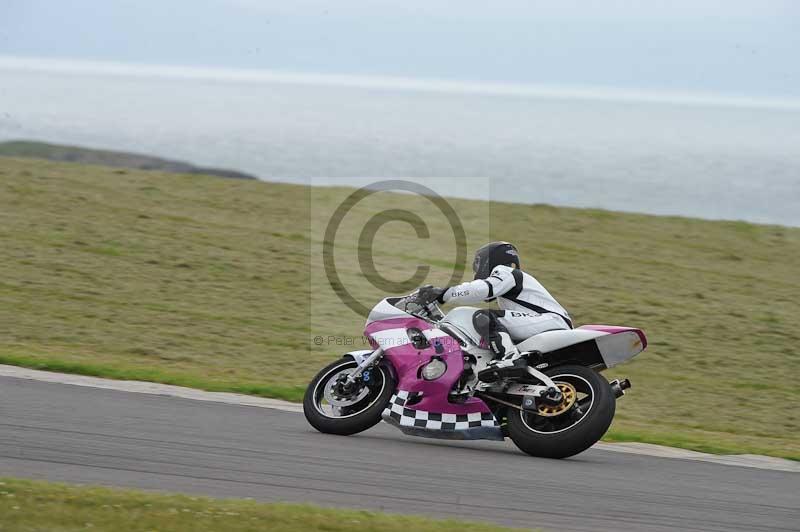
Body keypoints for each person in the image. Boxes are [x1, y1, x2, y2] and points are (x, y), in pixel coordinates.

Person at [417, 241, 572, 380]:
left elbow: (483, 289)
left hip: (549, 320)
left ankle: (510, 358)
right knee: (490, 325)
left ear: (489, 260)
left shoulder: (505, 272)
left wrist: (443, 293)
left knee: (483, 317)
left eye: (478, 264)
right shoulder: (514, 281)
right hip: (548, 322)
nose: (477, 270)